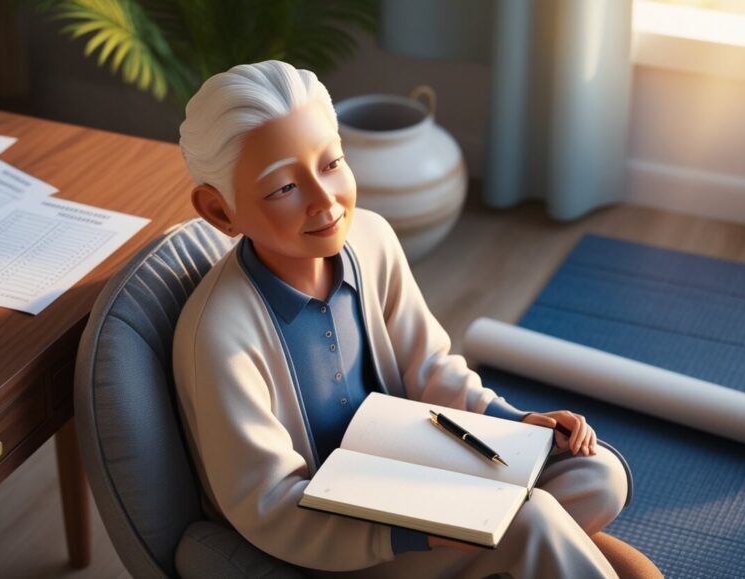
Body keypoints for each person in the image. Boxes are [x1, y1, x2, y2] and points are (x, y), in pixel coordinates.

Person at [174, 60, 654, 578]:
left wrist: (515, 425)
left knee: (598, 474)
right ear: (220, 211)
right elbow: (268, 505)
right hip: (345, 542)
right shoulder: (219, 335)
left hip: (419, 470)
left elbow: (430, 368)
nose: (324, 200)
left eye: (332, 163)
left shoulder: (373, 239)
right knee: (531, 519)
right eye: (284, 188)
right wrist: (415, 531)